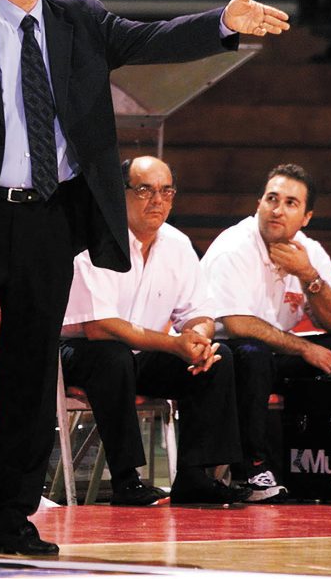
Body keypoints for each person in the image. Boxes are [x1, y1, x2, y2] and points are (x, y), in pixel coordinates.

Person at [0, 0, 289, 555]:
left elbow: (152, 40)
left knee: (28, 373)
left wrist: (222, 21)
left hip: (50, 217)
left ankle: (10, 516)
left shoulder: (81, 17)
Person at [60, 156, 248, 507]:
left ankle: (196, 476)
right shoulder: (95, 240)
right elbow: (100, 327)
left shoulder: (177, 244)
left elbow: (199, 312)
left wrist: (197, 339)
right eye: (145, 190)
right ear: (120, 194)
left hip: (139, 353)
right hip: (76, 351)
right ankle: (126, 480)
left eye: (166, 191)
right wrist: (175, 344)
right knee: (112, 356)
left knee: (218, 356)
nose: (157, 200)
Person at [201, 163, 331, 503]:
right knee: (252, 354)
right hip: (222, 357)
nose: (278, 209)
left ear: (306, 217)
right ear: (258, 203)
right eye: (272, 199)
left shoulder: (307, 250)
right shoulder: (234, 247)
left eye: (290, 203)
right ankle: (251, 470)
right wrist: (303, 348)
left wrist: (308, 275)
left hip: (275, 355)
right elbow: (238, 325)